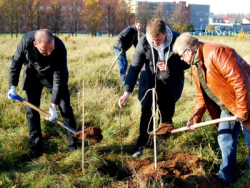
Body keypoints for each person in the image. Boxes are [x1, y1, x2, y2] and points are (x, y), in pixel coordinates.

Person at [173, 32, 250, 184]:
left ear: (189, 50)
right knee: (224, 138)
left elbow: (241, 82)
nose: (181, 59)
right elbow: (202, 94)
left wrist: (243, 112)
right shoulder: (196, 66)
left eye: (181, 55)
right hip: (228, 105)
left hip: (247, 100)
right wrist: (195, 117)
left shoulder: (217, 52)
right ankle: (226, 176)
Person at [118, 18, 190, 157]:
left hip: (170, 84)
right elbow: (134, 69)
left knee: (166, 114)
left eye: (159, 40)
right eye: (153, 40)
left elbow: (188, 62)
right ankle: (142, 145)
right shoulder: (143, 42)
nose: (155, 43)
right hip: (150, 84)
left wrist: (170, 68)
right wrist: (126, 92)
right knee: (147, 114)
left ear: (165, 33)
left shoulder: (178, 39)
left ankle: (163, 144)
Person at [7, 29, 78, 160]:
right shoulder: (25, 43)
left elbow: (59, 77)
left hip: (53, 75)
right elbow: (16, 63)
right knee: (31, 111)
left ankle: (73, 145)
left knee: (65, 108)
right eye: (45, 51)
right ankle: (36, 148)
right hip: (33, 74)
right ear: (35, 44)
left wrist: (53, 106)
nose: (49, 52)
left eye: (51, 49)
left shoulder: (60, 47)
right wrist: (12, 86)